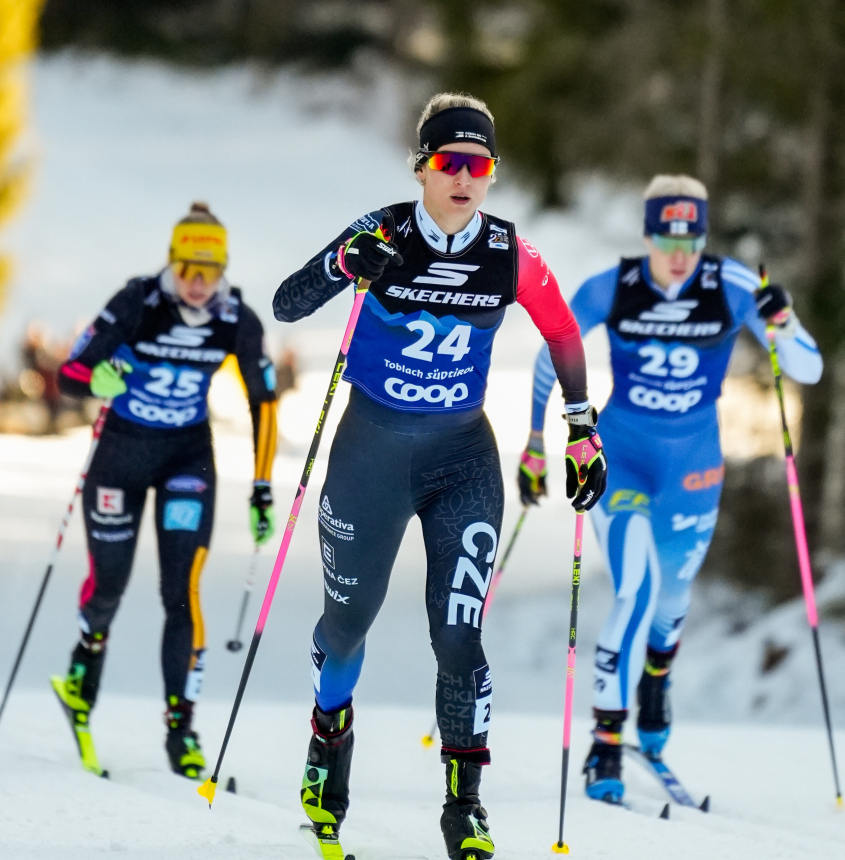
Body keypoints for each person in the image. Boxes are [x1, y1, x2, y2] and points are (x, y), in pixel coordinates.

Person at [273, 92, 606, 860]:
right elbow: (289, 304)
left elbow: (560, 328)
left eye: (479, 165)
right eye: (450, 163)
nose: (464, 178)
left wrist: (582, 429)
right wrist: (342, 264)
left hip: (462, 460)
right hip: (371, 453)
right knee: (346, 629)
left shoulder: (510, 253)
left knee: (460, 636)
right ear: (423, 167)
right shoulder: (380, 230)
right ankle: (329, 739)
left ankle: (466, 806)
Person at [523, 175, 824, 803]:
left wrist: (786, 322)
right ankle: (606, 743)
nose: (679, 252)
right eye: (667, 236)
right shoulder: (615, 287)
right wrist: (534, 438)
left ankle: (656, 678)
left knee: (671, 599)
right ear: (649, 233)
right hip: (623, 455)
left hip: (694, 465)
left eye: (691, 237)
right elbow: (554, 351)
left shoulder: (733, 286)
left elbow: (808, 369)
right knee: (636, 587)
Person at [52, 202, 280, 780]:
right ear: (172, 263)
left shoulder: (236, 317)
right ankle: (83, 672)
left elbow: (264, 401)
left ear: (223, 269)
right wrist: (93, 381)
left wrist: (261, 486)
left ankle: (182, 728)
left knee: (183, 593)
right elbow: (71, 370)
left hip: (185, 457)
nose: (198, 285)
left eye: (209, 272)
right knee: (110, 583)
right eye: (188, 271)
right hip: (121, 457)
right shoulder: (140, 301)